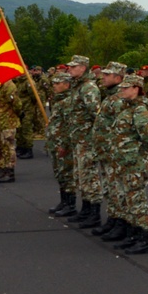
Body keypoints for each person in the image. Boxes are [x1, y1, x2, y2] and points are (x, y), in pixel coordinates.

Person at [110, 74, 148, 254]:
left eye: (126, 87)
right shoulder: (126, 109)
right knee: (127, 200)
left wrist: (137, 152)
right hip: (123, 163)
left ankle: (144, 240)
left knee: (137, 201)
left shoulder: (139, 111)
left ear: (136, 89)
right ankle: (133, 235)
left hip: (134, 164)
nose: (121, 90)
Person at [90, 62, 127, 236]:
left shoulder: (119, 98)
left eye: (107, 74)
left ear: (118, 78)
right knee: (109, 188)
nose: (103, 77)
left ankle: (121, 223)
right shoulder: (110, 96)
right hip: (106, 151)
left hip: (115, 153)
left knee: (118, 189)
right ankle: (112, 219)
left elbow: (121, 129)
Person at [65, 55, 102, 226]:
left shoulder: (88, 88)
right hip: (78, 139)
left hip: (87, 140)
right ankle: (86, 209)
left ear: (83, 68)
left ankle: (94, 213)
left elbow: (97, 115)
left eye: (74, 66)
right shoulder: (77, 86)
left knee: (90, 176)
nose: (70, 69)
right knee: (81, 176)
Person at [46, 71, 78, 217]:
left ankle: (70, 204)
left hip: (64, 143)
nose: (54, 86)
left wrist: (64, 144)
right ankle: (64, 201)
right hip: (55, 141)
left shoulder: (69, 102)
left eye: (58, 83)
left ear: (67, 85)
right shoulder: (58, 100)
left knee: (67, 174)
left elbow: (69, 125)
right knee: (59, 173)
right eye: (54, 83)